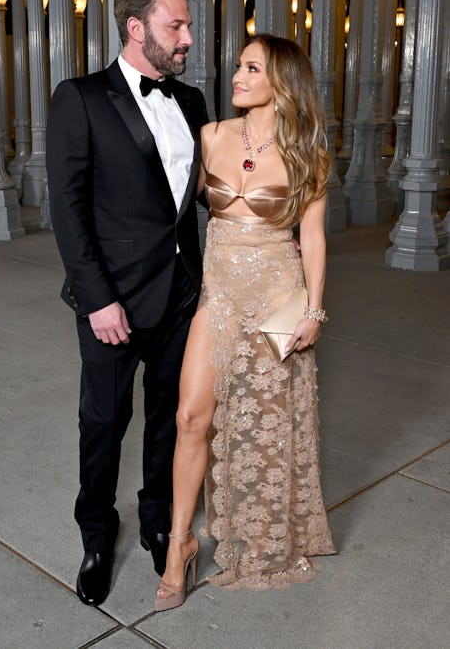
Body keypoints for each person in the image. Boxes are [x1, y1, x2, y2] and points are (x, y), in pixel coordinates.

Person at [154, 33, 335, 611]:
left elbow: (312, 236)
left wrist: (313, 309)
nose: (236, 75)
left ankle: (263, 535)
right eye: (237, 65)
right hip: (220, 296)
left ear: (279, 81)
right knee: (190, 417)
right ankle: (179, 543)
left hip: (279, 298)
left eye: (251, 67)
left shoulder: (309, 150)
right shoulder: (211, 136)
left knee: (266, 427)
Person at [46, 0, 209, 606]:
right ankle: (95, 534)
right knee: (103, 423)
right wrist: (97, 300)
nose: (189, 38)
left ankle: (157, 520)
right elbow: (69, 209)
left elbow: (199, 198)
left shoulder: (191, 103)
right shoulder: (80, 98)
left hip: (182, 298)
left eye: (188, 25)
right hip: (112, 301)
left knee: (170, 420)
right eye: (177, 26)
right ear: (136, 28)